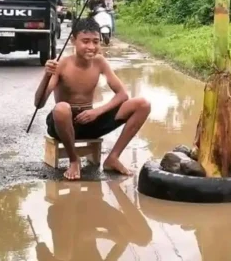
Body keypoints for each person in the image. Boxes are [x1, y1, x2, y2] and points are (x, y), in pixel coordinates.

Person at [34, 18, 151, 180]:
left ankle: (113, 158)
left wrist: (97, 112)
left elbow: (123, 94)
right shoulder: (61, 64)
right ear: (74, 41)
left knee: (142, 104)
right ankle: (74, 160)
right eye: (85, 41)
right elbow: (39, 104)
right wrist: (46, 76)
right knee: (62, 108)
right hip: (63, 124)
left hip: (90, 121)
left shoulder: (100, 62)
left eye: (96, 42)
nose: (91, 47)